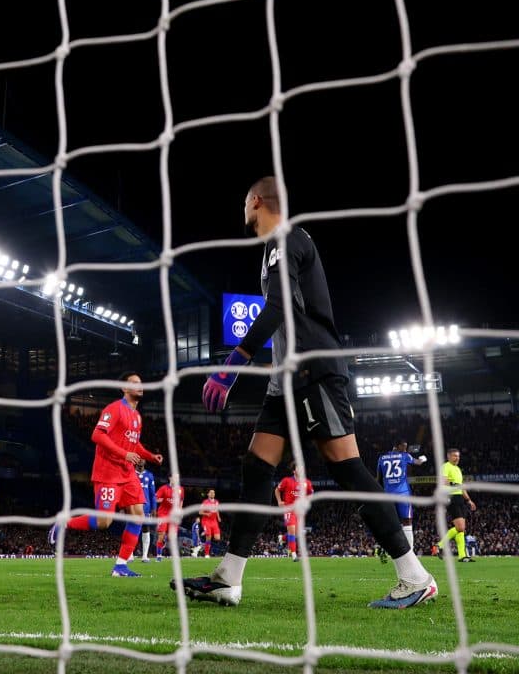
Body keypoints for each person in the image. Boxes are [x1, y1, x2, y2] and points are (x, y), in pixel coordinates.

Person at [177, 176, 436, 610]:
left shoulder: (285, 236)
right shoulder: (277, 245)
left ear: (255, 200)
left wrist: (232, 365)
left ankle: (415, 576)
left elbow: (277, 308)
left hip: (314, 372)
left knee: (348, 469)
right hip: (286, 382)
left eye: (244, 202)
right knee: (257, 468)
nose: (243, 209)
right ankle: (228, 578)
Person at [49, 372, 162, 577]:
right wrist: (125, 454)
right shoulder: (114, 408)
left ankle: (120, 566)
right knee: (104, 522)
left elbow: (134, 444)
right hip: (108, 472)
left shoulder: (137, 416)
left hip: (127, 474)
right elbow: (97, 435)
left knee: (138, 517)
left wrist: (151, 456)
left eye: (141, 382)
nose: (140, 385)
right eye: (134, 383)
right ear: (123, 388)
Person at [377, 440, 428, 552]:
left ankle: (389, 549)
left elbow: (379, 479)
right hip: (403, 493)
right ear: (397, 446)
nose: (405, 449)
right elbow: (418, 462)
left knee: (392, 522)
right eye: (404, 447)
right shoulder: (405, 456)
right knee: (407, 522)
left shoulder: (382, 458)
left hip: (388, 494)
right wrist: (423, 459)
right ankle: (410, 550)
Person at [435, 448, 477, 563]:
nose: (457, 458)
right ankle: (439, 545)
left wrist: (468, 500)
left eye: (458, 456)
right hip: (450, 497)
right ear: (448, 456)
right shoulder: (445, 466)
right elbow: (444, 481)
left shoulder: (458, 469)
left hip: (459, 498)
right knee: (460, 527)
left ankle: (462, 556)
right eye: (454, 456)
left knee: (461, 530)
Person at [275, 464, 314, 561]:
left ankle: (283, 538)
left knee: (295, 533)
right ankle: (294, 555)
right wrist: (279, 501)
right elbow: (277, 490)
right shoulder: (287, 480)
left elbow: (311, 494)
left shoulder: (307, 483)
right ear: (294, 471)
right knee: (292, 531)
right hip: (289, 509)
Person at [154, 476, 185, 561]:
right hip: (163, 514)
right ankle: (159, 555)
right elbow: (155, 498)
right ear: (170, 478)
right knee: (161, 535)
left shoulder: (181, 489)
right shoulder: (163, 488)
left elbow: (181, 500)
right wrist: (160, 500)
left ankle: (164, 541)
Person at [137, 460, 157, 562]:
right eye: (138, 458)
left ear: (145, 461)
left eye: (142, 459)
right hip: (133, 506)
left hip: (146, 507)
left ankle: (145, 556)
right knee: (131, 529)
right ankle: (129, 555)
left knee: (145, 528)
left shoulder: (149, 475)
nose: (140, 460)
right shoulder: (130, 473)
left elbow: (152, 494)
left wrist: (154, 508)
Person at [199, 489, 222, 558]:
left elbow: (217, 510)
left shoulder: (216, 502)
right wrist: (206, 514)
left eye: (214, 493)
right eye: (211, 493)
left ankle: (206, 534)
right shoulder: (205, 502)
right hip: (206, 521)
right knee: (208, 537)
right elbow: (200, 512)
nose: (212, 494)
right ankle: (206, 554)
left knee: (217, 538)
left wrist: (218, 517)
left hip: (214, 521)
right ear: (208, 494)